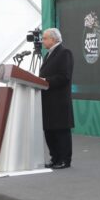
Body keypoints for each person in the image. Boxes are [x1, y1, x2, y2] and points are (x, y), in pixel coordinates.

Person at [39, 28, 74, 169]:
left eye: (45, 38)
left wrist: (44, 80)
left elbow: (65, 77)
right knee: (49, 131)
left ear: (53, 39)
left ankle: (64, 160)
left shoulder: (64, 53)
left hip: (59, 101)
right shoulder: (48, 55)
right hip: (47, 100)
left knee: (61, 132)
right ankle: (55, 158)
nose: (43, 41)